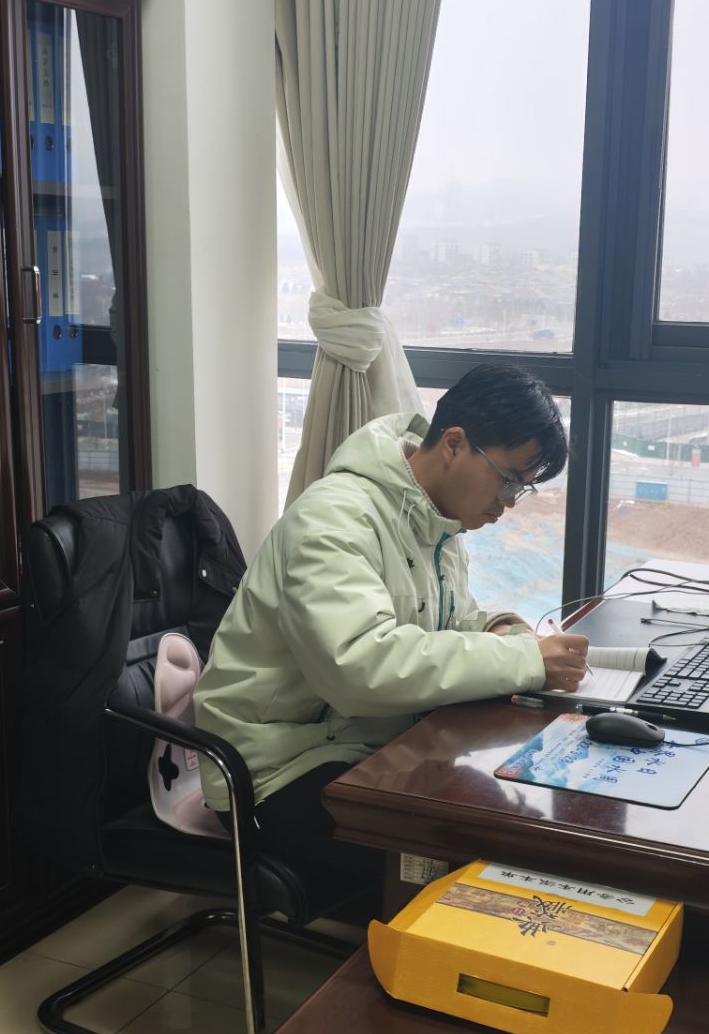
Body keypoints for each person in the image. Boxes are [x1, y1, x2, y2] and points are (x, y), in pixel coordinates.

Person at [192, 363, 589, 899]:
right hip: (275, 772)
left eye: (524, 487)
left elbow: (452, 621)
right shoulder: (334, 519)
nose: (510, 501)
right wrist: (526, 660)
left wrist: (503, 630)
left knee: (517, 814)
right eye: (509, 478)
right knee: (483, 850)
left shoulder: (436, 521)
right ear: (454, 443)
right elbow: (359, 669)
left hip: (366, 742)